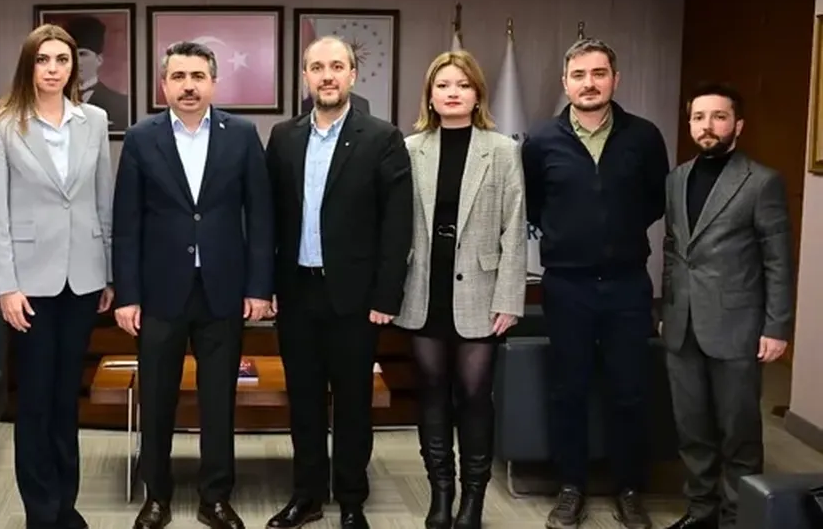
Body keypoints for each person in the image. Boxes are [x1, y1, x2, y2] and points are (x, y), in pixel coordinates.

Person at [112, 41, 274, 529]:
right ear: (163, 84)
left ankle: (215, 498)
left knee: (218, 400)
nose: (188, 86)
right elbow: (126, 223)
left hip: (223, 290)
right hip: (159, 292)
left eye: (198, 76)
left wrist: (259, 287)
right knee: (157, 399)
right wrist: (127, 294)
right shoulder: (141, 138)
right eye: (178, 77)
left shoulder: (242, 135)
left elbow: (260, 217)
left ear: (214, 83)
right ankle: (156, 496)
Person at [521, 37, 670, 529]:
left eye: (599, 73)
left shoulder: (644, 136)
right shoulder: (541, 140)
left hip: (628, 284)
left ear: (615, 79)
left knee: (630, 390)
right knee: (569, 390)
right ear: (565, 83)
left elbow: (655, 201)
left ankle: (629, 489)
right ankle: (571, 488)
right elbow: (535, 205)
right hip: (567, 285)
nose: (589, 83)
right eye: (579, 75)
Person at [264, 36, 412, 529]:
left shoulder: (382, 137)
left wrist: (386, 295)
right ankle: (306, 496)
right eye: (316, 67)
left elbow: (397, 224)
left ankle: (351, 500)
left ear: (352, 74)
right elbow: (268, 218)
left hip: (355, 298)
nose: (326, 76)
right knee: (303, 402)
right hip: (297, 293)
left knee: (352, 404)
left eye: (336, 66)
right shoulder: (283, 137)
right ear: (305, 76)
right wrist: (265, 286)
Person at [0, 23, 115, 529]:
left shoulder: (93, 120)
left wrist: (107, 273)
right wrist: (6, 286)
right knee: (36, 400)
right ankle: (40, 512)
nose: (54, 69)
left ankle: (65, 506)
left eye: (62, 60)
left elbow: (102, 199)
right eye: (43, 60)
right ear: (29, 66)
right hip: (29, 284)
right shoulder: (3, 123)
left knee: (66, 400)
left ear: (74, 67)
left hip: (83, 279)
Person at [394, 50, 527, 529]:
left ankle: (473, 501)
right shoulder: (410, 149)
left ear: (477, 95)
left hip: (482, 293)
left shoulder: (503, 150)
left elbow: (515, 228)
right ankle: (440, 496)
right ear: (430, 95)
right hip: (423, 289)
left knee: (473, 396)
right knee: (431, 394)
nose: (453, 93)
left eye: (463, 85)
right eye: (443, 85)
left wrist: (509, 298)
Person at [661, 84, 793, 529]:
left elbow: (778, 261)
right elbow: (673, 249)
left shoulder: (761, 181)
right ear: (690, 124)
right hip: (682, 326)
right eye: (699, 117)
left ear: (738, 125)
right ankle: (702, 513)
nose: (708, 126)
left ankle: (739, 518)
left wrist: (777, 326)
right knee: (692, 430)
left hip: (737, 328)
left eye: (719, 117)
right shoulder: (676, 179)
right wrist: (667, 308)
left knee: (739, 434)